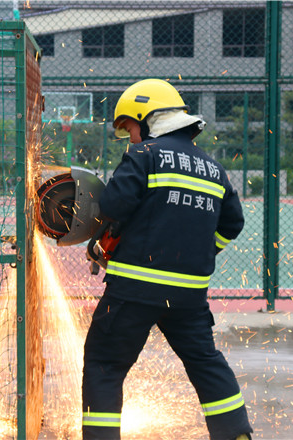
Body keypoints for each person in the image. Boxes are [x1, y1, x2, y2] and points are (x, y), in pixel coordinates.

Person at [82, 78, 253, 440]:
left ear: (146, 118)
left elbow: (114, 206)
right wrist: (202, 251)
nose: (130, 138)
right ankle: (236, 434)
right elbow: (233, 223)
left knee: (104, 364)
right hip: (189, 295)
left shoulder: (144, 155)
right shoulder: (213, 168)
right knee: (205, 362)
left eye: (129, 128)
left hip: (134, 290)